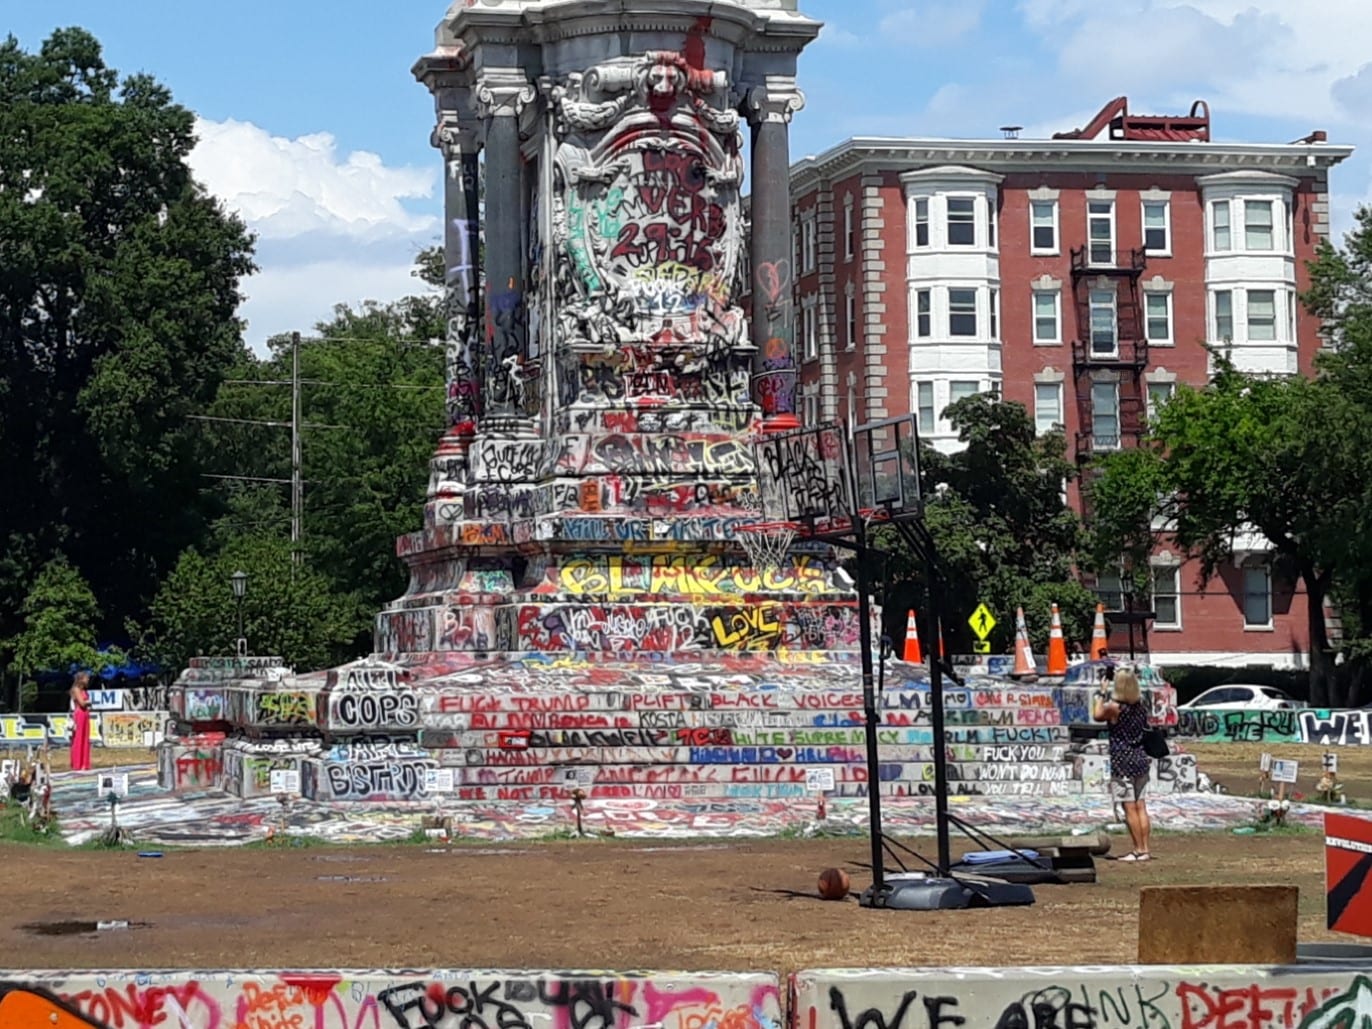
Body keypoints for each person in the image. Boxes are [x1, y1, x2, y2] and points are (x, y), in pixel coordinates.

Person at [1091, 665, 1152, 862]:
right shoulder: (1140, 707)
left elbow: (1097, 714)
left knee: (1129, 807)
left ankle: (1137, 849)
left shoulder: (1116, 708)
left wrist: (1101, 691)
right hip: (1140, 757)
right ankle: (1145, 848)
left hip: (1122, 760)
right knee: (1141, 806)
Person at [69, 672, 93, 772]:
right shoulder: (76, 689)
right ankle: (77, 763)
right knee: (78, 738)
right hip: (79, 714)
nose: (87, 680)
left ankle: (84, 763)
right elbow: (82, 703)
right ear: (81, 679)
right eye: (86, 678)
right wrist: (88, 702)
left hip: (85, 714)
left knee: (85, 738)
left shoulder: (83, 690)